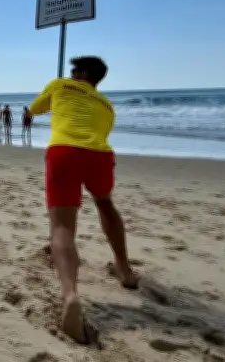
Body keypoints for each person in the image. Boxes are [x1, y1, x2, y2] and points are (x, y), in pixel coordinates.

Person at [28, 56, 137, 343]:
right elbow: (100, 133)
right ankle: (125, 270)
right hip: (100, 155)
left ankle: (70, 297)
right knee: (105, 203)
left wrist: (30, 113)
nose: (71, 73)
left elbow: (35, 108)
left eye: (74, 69)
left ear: (83, 73)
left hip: (65, 151)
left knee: (62, 227)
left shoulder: (60, 84)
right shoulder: (106, 105)